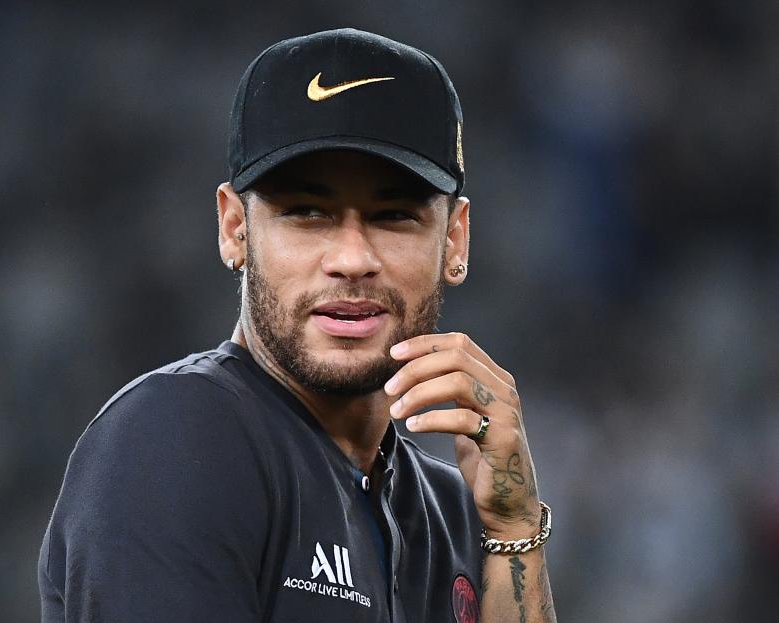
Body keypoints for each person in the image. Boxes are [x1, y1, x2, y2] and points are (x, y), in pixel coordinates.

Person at [38, 28, 556, 623]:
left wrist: (514, 530)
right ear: (236, 228)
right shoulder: (178, 437)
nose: (352, 257)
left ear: (455, 239)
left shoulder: (455, 513)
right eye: (307, 213)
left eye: (394, 216)